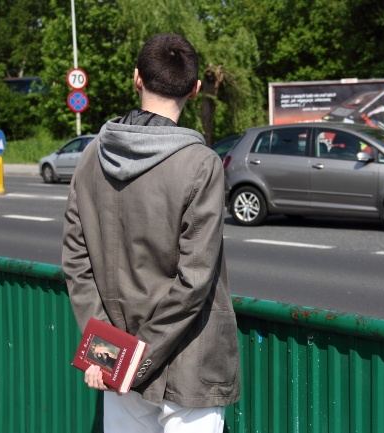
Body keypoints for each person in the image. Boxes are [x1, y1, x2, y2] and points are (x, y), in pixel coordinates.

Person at [62, 33, 240, 433]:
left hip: (117, 352)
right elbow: (194, 280)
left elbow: (76, 263)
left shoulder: (92, 154)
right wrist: (136, 359)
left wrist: (110, 354)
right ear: (195, 90)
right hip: (189, 362)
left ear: (136, 78)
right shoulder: (201, 164)